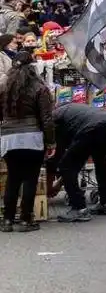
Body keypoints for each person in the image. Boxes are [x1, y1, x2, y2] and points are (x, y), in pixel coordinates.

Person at [0, 52, 54, 232]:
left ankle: (7, 220)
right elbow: (46, 118)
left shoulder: (5, 86)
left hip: (8, 138)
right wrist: (51, 142)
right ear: (33, 67)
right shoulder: (39, 87)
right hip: (32, 137)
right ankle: (26, 219)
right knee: (30, 178)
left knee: (13, 178)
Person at [52, 104, 106, 222]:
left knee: (66, 166)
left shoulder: (56, 117)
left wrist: (57, 180)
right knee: (100, 159)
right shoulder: (74, 111)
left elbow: (61, 153)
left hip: (95, 128)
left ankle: (79, 208)